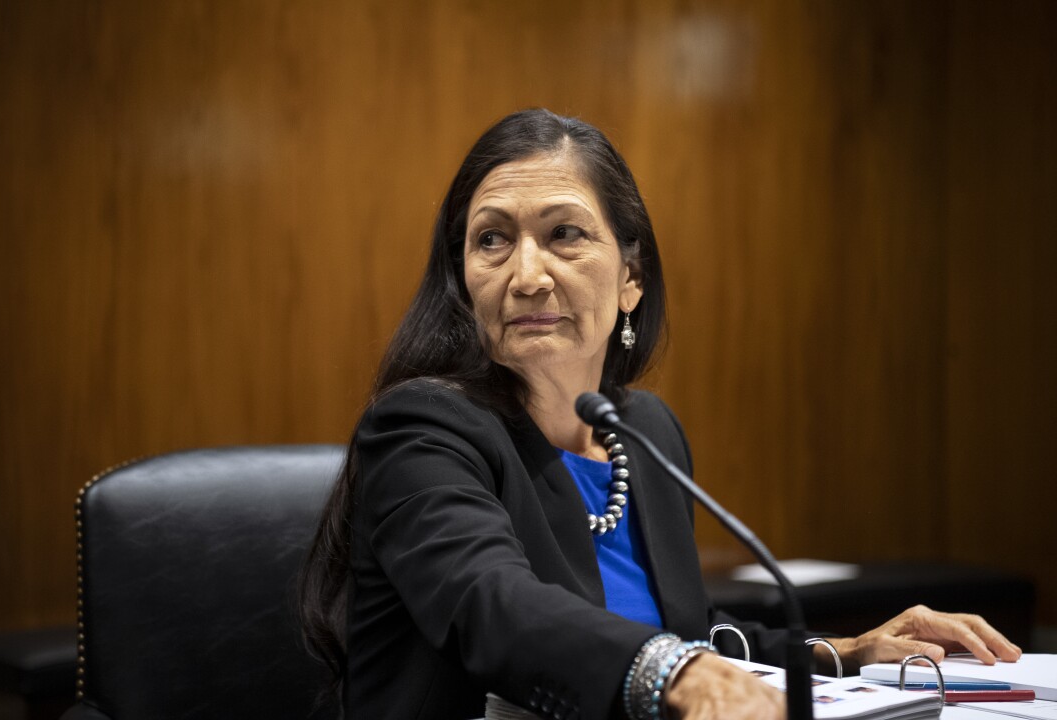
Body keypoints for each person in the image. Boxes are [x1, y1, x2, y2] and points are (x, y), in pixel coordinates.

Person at [299, 109, 1020, 720]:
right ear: (464, 278)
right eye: (492, 240)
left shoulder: (640, 432)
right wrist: (674, 676)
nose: (525, 274)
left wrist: (841, 651)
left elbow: (685, 632)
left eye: (564, 235)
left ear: (632, 278)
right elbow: (495, 607)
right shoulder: (420, 429)